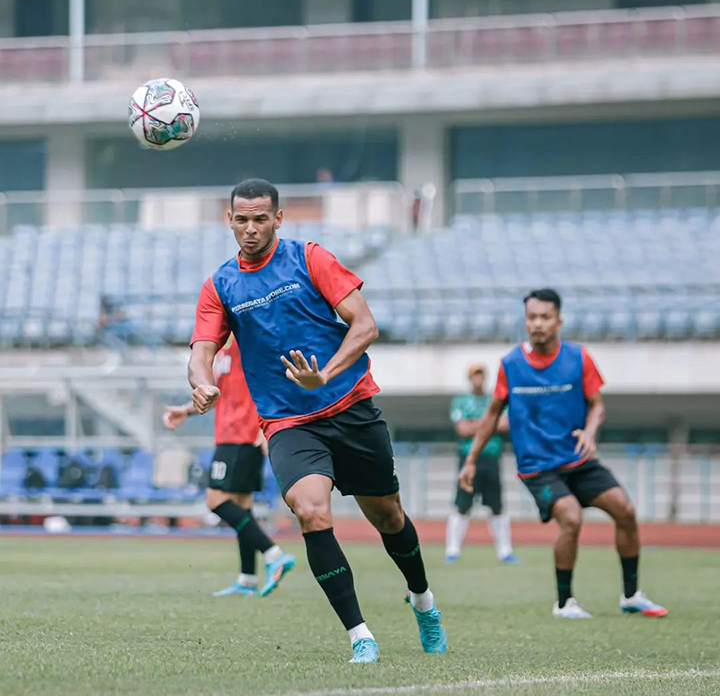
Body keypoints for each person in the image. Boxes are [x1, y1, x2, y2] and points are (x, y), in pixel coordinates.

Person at [188, 178, 446, 664]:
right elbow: (202, 352)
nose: (250, 228)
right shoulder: (219, 284)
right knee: (310, 511)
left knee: (388, 516)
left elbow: (365, 325)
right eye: (241, 219)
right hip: (288, 422)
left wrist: (323, 374)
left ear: (278, 219)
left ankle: (423, 602)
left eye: (260, 218)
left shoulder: (310, 258)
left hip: (351, 408)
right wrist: (200, 383)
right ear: (229, 220)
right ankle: (360, 635)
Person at [459, 289, 668, 620]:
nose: (537, 323)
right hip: (538, 467)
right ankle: (564, 602)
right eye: (531, 318)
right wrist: (471, 459)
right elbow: (490, 416)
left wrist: (589, 431)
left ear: (559, 321)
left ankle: (631, 595)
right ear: (525, 322)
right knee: (571, 517)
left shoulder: (579, 358)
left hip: (578, 460)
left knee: (625, 511)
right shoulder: (510, 365)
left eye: (544, 317)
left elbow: (597, 405)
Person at [163, 335, 295, 598]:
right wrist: (187, 411)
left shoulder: (246, 341)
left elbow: (272, 380)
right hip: (231, 434)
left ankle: (274, 554)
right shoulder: (219, 349)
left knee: (216, 501)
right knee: (242, 507)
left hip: (241, 435)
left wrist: (265, 424)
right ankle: (247, 580)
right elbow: (217, 395)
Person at [445, 363, 518, 565]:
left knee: (497, 505)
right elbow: (462, 429)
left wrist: (475, 424)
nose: (478, 379)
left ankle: (505, 551)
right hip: (467, 458)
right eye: (474, 375)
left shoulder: (494, 399)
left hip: (491, 457)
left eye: (480, 375)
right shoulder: (461, 400)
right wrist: (488, 424)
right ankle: (452, 551)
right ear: (470, 379)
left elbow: (506, 424)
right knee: (462, 504)